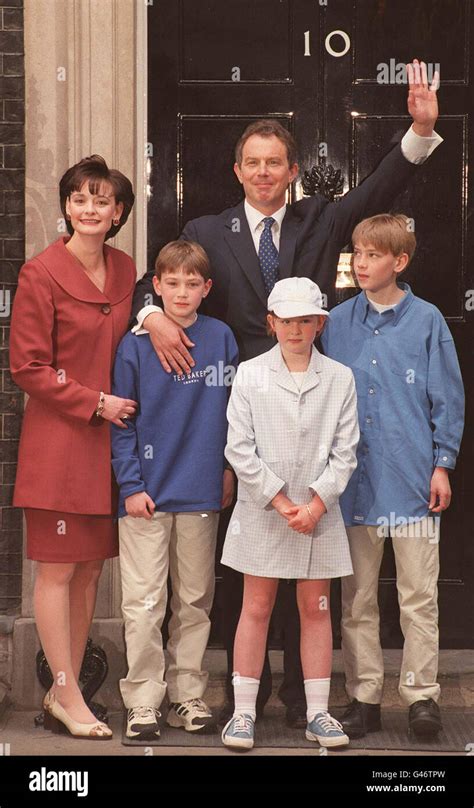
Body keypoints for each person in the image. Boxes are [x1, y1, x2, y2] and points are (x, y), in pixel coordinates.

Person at [131, 60, 443, 727]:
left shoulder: (318, 221)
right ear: (238, 170)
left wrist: (418, 130)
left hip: (308, 410)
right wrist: (150, 315)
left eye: (276, 161)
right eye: (253, 161)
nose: (265, 171)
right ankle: (242, 693)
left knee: (308, 568)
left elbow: (384, 184)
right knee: (247, 567)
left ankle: (306, 697)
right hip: (236, 411)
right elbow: (158, 277)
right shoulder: (208, 231)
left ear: (292, 169)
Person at [320, 214, 465, 739]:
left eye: (373, 254)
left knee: (418, 596)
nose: (361, 263)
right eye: (356, 253)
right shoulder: (335, 324)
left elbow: (446, 398)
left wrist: (442, 465)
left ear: (399, 261)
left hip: (412, 483)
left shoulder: (427, 321)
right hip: (353, 486)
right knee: (356, 598)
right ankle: (363, 696)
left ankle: (422, 695)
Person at [9, 155, 138, 739]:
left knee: (88, 570)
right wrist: (95, 402)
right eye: (80, 199)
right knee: (58, 571)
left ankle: (69, 691)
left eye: (102, 201)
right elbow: (28, 366)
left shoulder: (125, 268)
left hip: (107, 447)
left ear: (118, 213)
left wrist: (156, 317)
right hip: (61, 442)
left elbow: (137, 328)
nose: (90, 210)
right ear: (66, 207)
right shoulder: (40, 272)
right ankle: (64, 693)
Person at [219, 277, 359, 750]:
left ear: (320, 324)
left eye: (305, 320)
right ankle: (242, 714)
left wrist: (316, 505)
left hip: (318, 514)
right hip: (265, 512)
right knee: (254, 607)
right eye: (286, 321)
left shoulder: (340, 377)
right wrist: (281, 502)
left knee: (315, 610)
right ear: (271, 323)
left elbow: (346, 453)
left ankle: (318, 712)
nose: (295, 330)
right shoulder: (251, 374)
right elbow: (239, 449)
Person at [111, 241, 239, 740]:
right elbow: (122, 421)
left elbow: (234, 415)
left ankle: (187, 696)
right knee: (143, 602)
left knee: (194, 600)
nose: (182, 292)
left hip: (202, 493)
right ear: (156, 286)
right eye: (172, 283)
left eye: (192, 284)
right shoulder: (134, 345)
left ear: (206, 289)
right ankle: (143, 700)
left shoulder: (222, 338)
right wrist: (129, 484)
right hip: (145, 496)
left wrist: (226, 468)